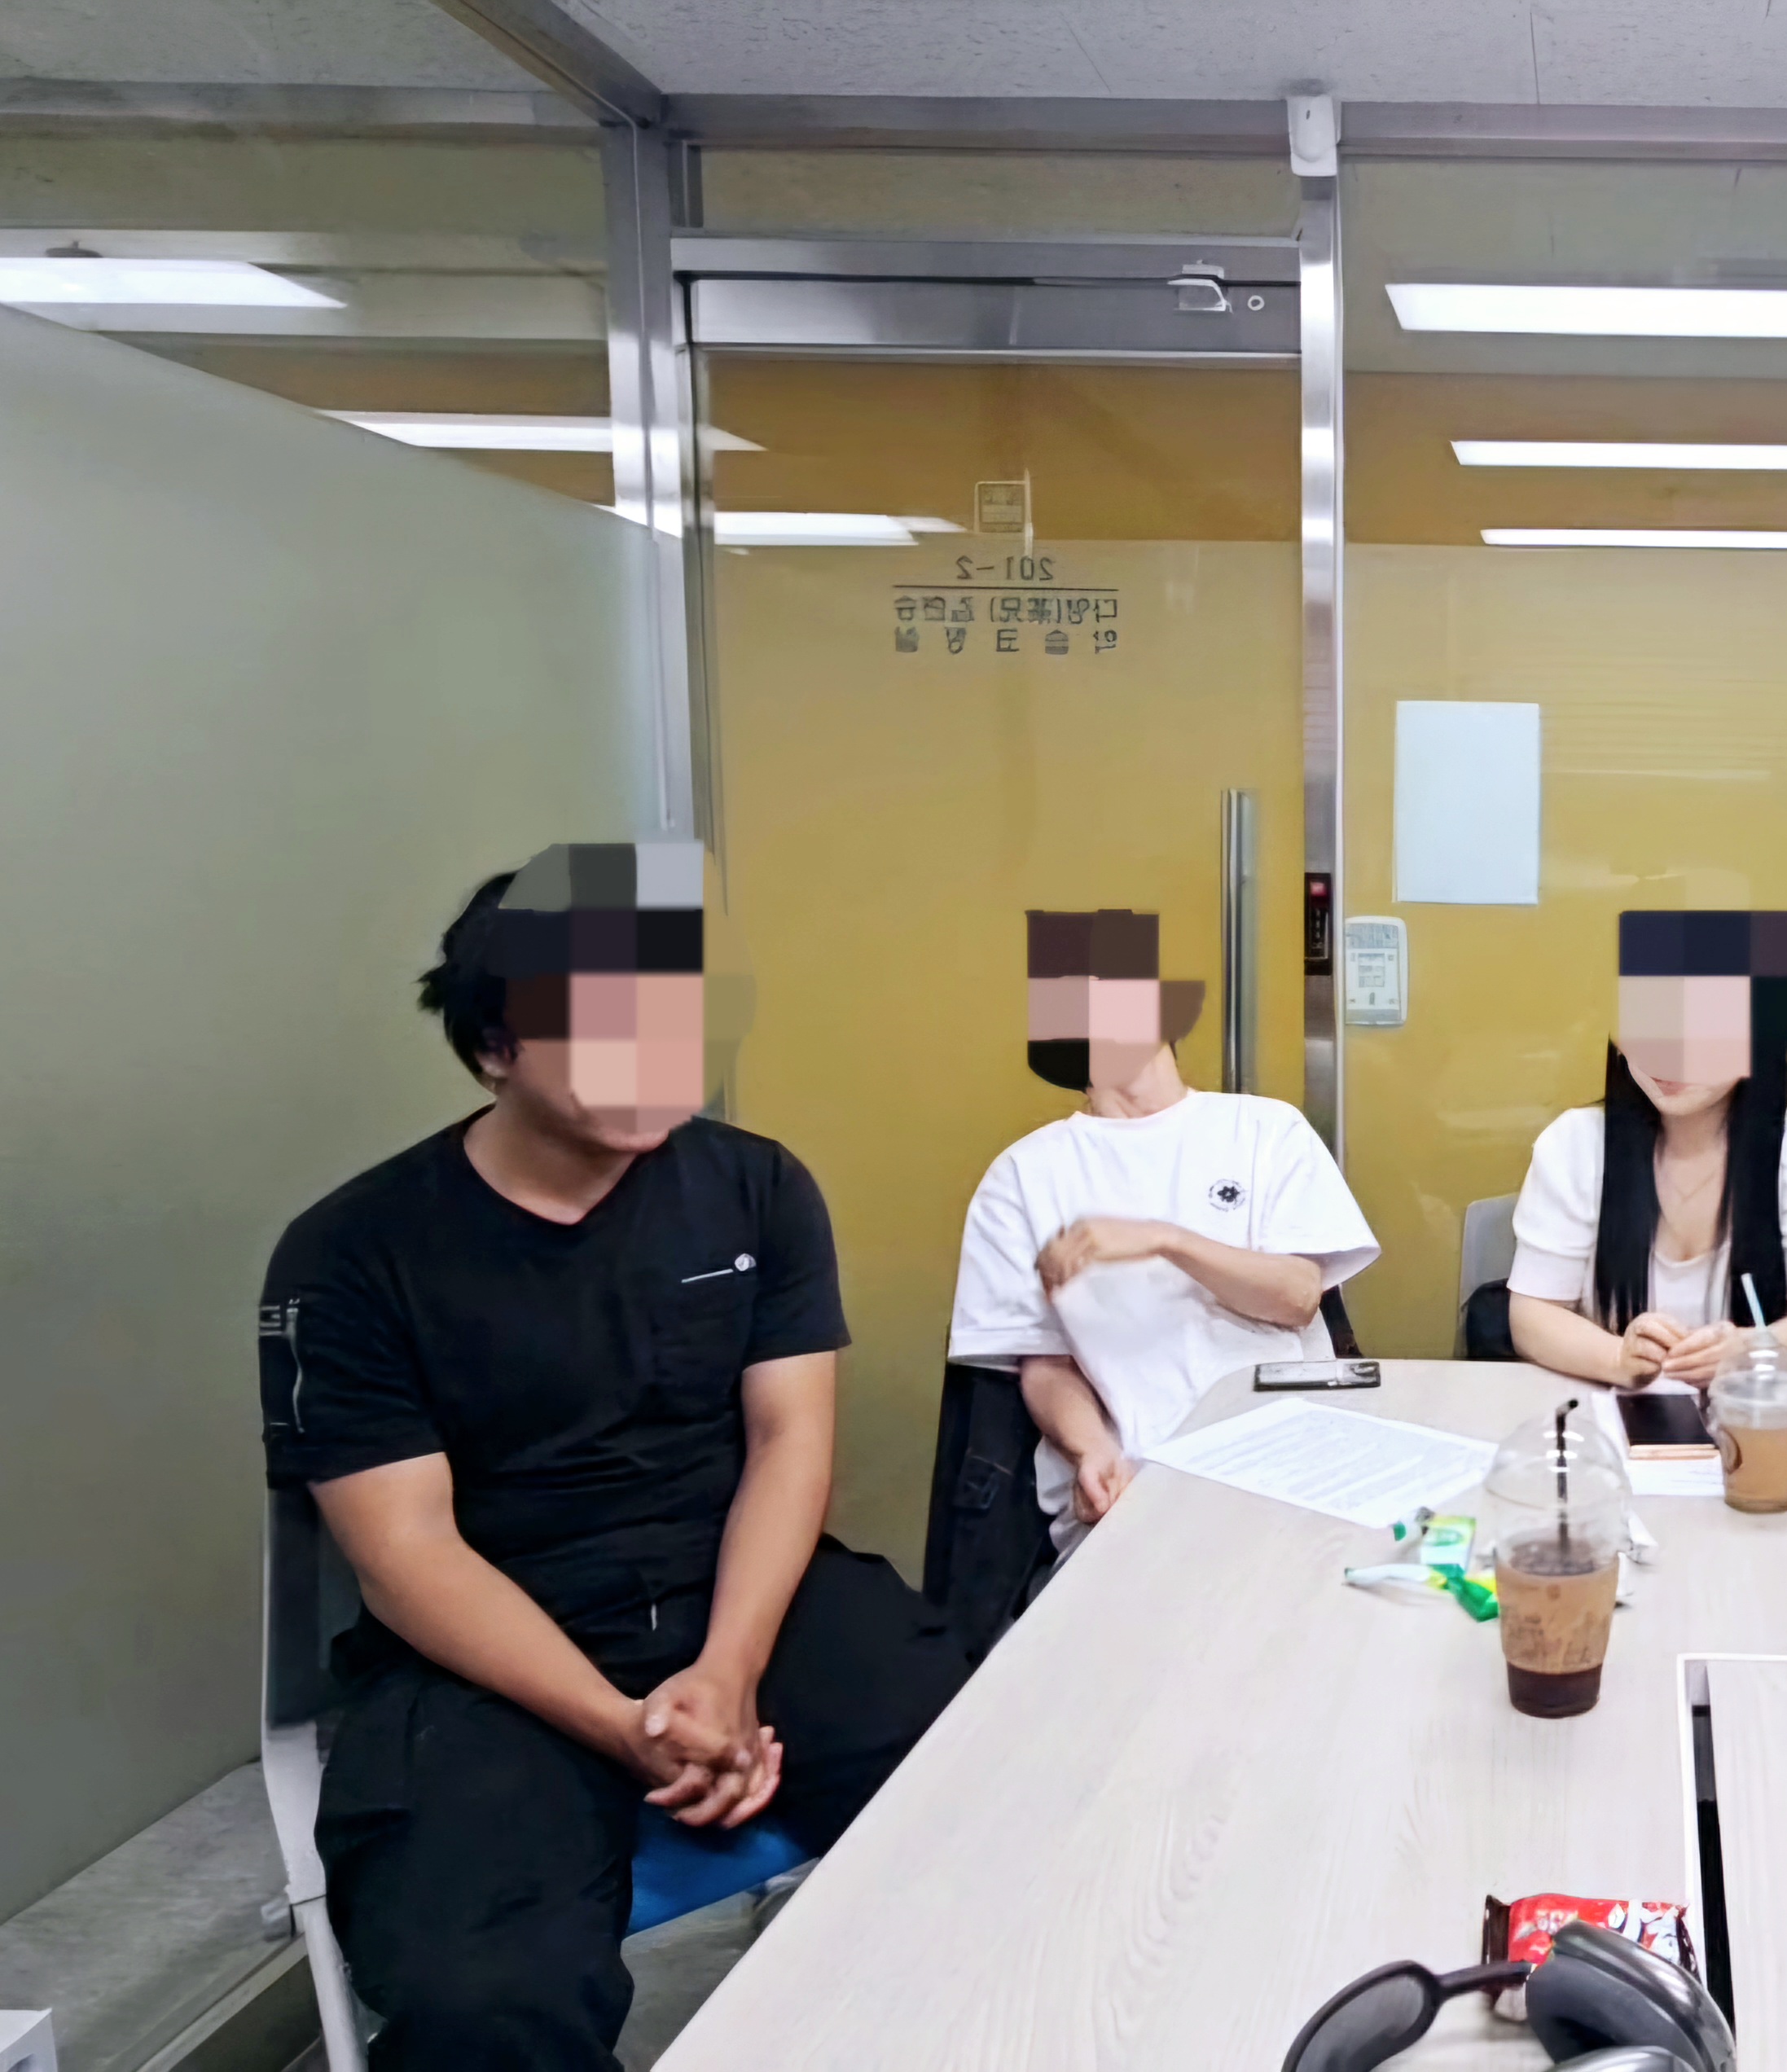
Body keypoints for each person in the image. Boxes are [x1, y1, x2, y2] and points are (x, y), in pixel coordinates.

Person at [258, 844, 969, 2071]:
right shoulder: (352, 1254)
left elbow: (789, 1440)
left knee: (1008, 1803)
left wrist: (728, 1670)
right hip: (493, 1649)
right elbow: (406, 1551)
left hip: (740, 1595)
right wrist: (622, 1724)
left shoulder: (755, 1189)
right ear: (494, 1048)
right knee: (481, 2002)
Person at [948, 908, 1377, 1552]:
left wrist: (1165, 1239)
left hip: (1292, 1461)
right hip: (1137, 1481)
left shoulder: (1265, 1130)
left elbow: (1295, 1298)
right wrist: (1090, 1450)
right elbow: (1043, 1362)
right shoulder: (1023, 1175)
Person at [1507, 910, 1787, 1386]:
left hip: (1750, 1409)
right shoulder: (1574, 1144)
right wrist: (1617, 1359)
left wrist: (1750, 1349)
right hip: (1607, 1406)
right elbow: (1532, 1315)